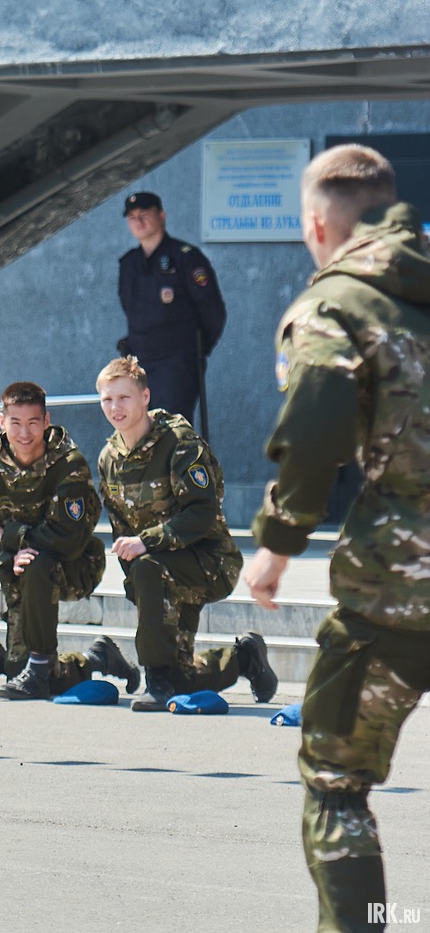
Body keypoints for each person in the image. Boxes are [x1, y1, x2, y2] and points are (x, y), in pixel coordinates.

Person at [242, 144, 430, 932]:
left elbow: (316, 429)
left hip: (401, 580)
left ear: (316, 224)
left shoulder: (336, 305)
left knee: (334, 778)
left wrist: (276, 542)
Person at [95, 357, 275, 712]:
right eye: (107, 399)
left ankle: (154, 678)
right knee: (182, 681)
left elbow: (202, 513)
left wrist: (146, 543)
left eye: (124, 398)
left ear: (145, 396)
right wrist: (140, 586)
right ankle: (244, 658)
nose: (115, 408)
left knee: (148, 567)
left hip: (208, 561)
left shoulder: (179, 444)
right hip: (158, 573)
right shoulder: (108, 458)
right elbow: (121, 531)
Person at [0, 382, 138, 700]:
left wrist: (6, 536)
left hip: (73, 565)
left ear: (46, 421)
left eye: (33, 423)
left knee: (39, 561)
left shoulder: (69, 464)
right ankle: (96, 659)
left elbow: (67, 538)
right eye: (15, 423)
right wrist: (8, 561)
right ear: (2, 423)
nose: (24, 433)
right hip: (18, 570)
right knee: (18, 674)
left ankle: (41, 665)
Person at [117, 191, 227, 426]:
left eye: (144, 214)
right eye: (132, 217)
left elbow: (213, 310)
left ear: (162, 215)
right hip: (140, 361)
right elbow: (130, 310)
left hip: (176, 363)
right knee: (139, 432)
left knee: (172, 433)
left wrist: (195, 350)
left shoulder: (186, 258)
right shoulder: (129, 264)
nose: (138, 221)